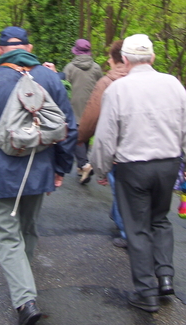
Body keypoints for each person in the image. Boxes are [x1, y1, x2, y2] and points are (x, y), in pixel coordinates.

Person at [0, 26, 77, 325]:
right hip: (39, 170)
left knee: (6, 236)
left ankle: (25, 302)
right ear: (30, 47)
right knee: (27, 229)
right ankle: (24, 283)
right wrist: (60, 169)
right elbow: (68, 127)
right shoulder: (50, 78)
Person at [90, 33, 186, 313]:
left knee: (137, 228)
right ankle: (165, 276)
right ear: (152, 58)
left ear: (126, 60)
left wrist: (100, 167)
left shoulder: (117, 90)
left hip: (133, 168)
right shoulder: (173, 84)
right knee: (160, 220)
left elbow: (106, 137)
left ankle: (146, 293)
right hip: (168, 166)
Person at [77, 40, 129, 248]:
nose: (107, 61)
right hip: (153, 151)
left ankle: (126, 230)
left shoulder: (108, 82)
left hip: (118, 150)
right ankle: (122, 220)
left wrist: (79, 138)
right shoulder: (156, 80)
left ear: (118, 60)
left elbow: (91, 120)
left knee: (121, 190)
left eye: (109, 57)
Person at [63, 39, 103, 183]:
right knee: (85, 134)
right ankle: (81, 168)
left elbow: (64, 88)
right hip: (92, 106)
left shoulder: (69, 68)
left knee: (74, 135)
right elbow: (101, 85)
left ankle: (85, 165)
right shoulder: (97, 68)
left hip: (73, 106)